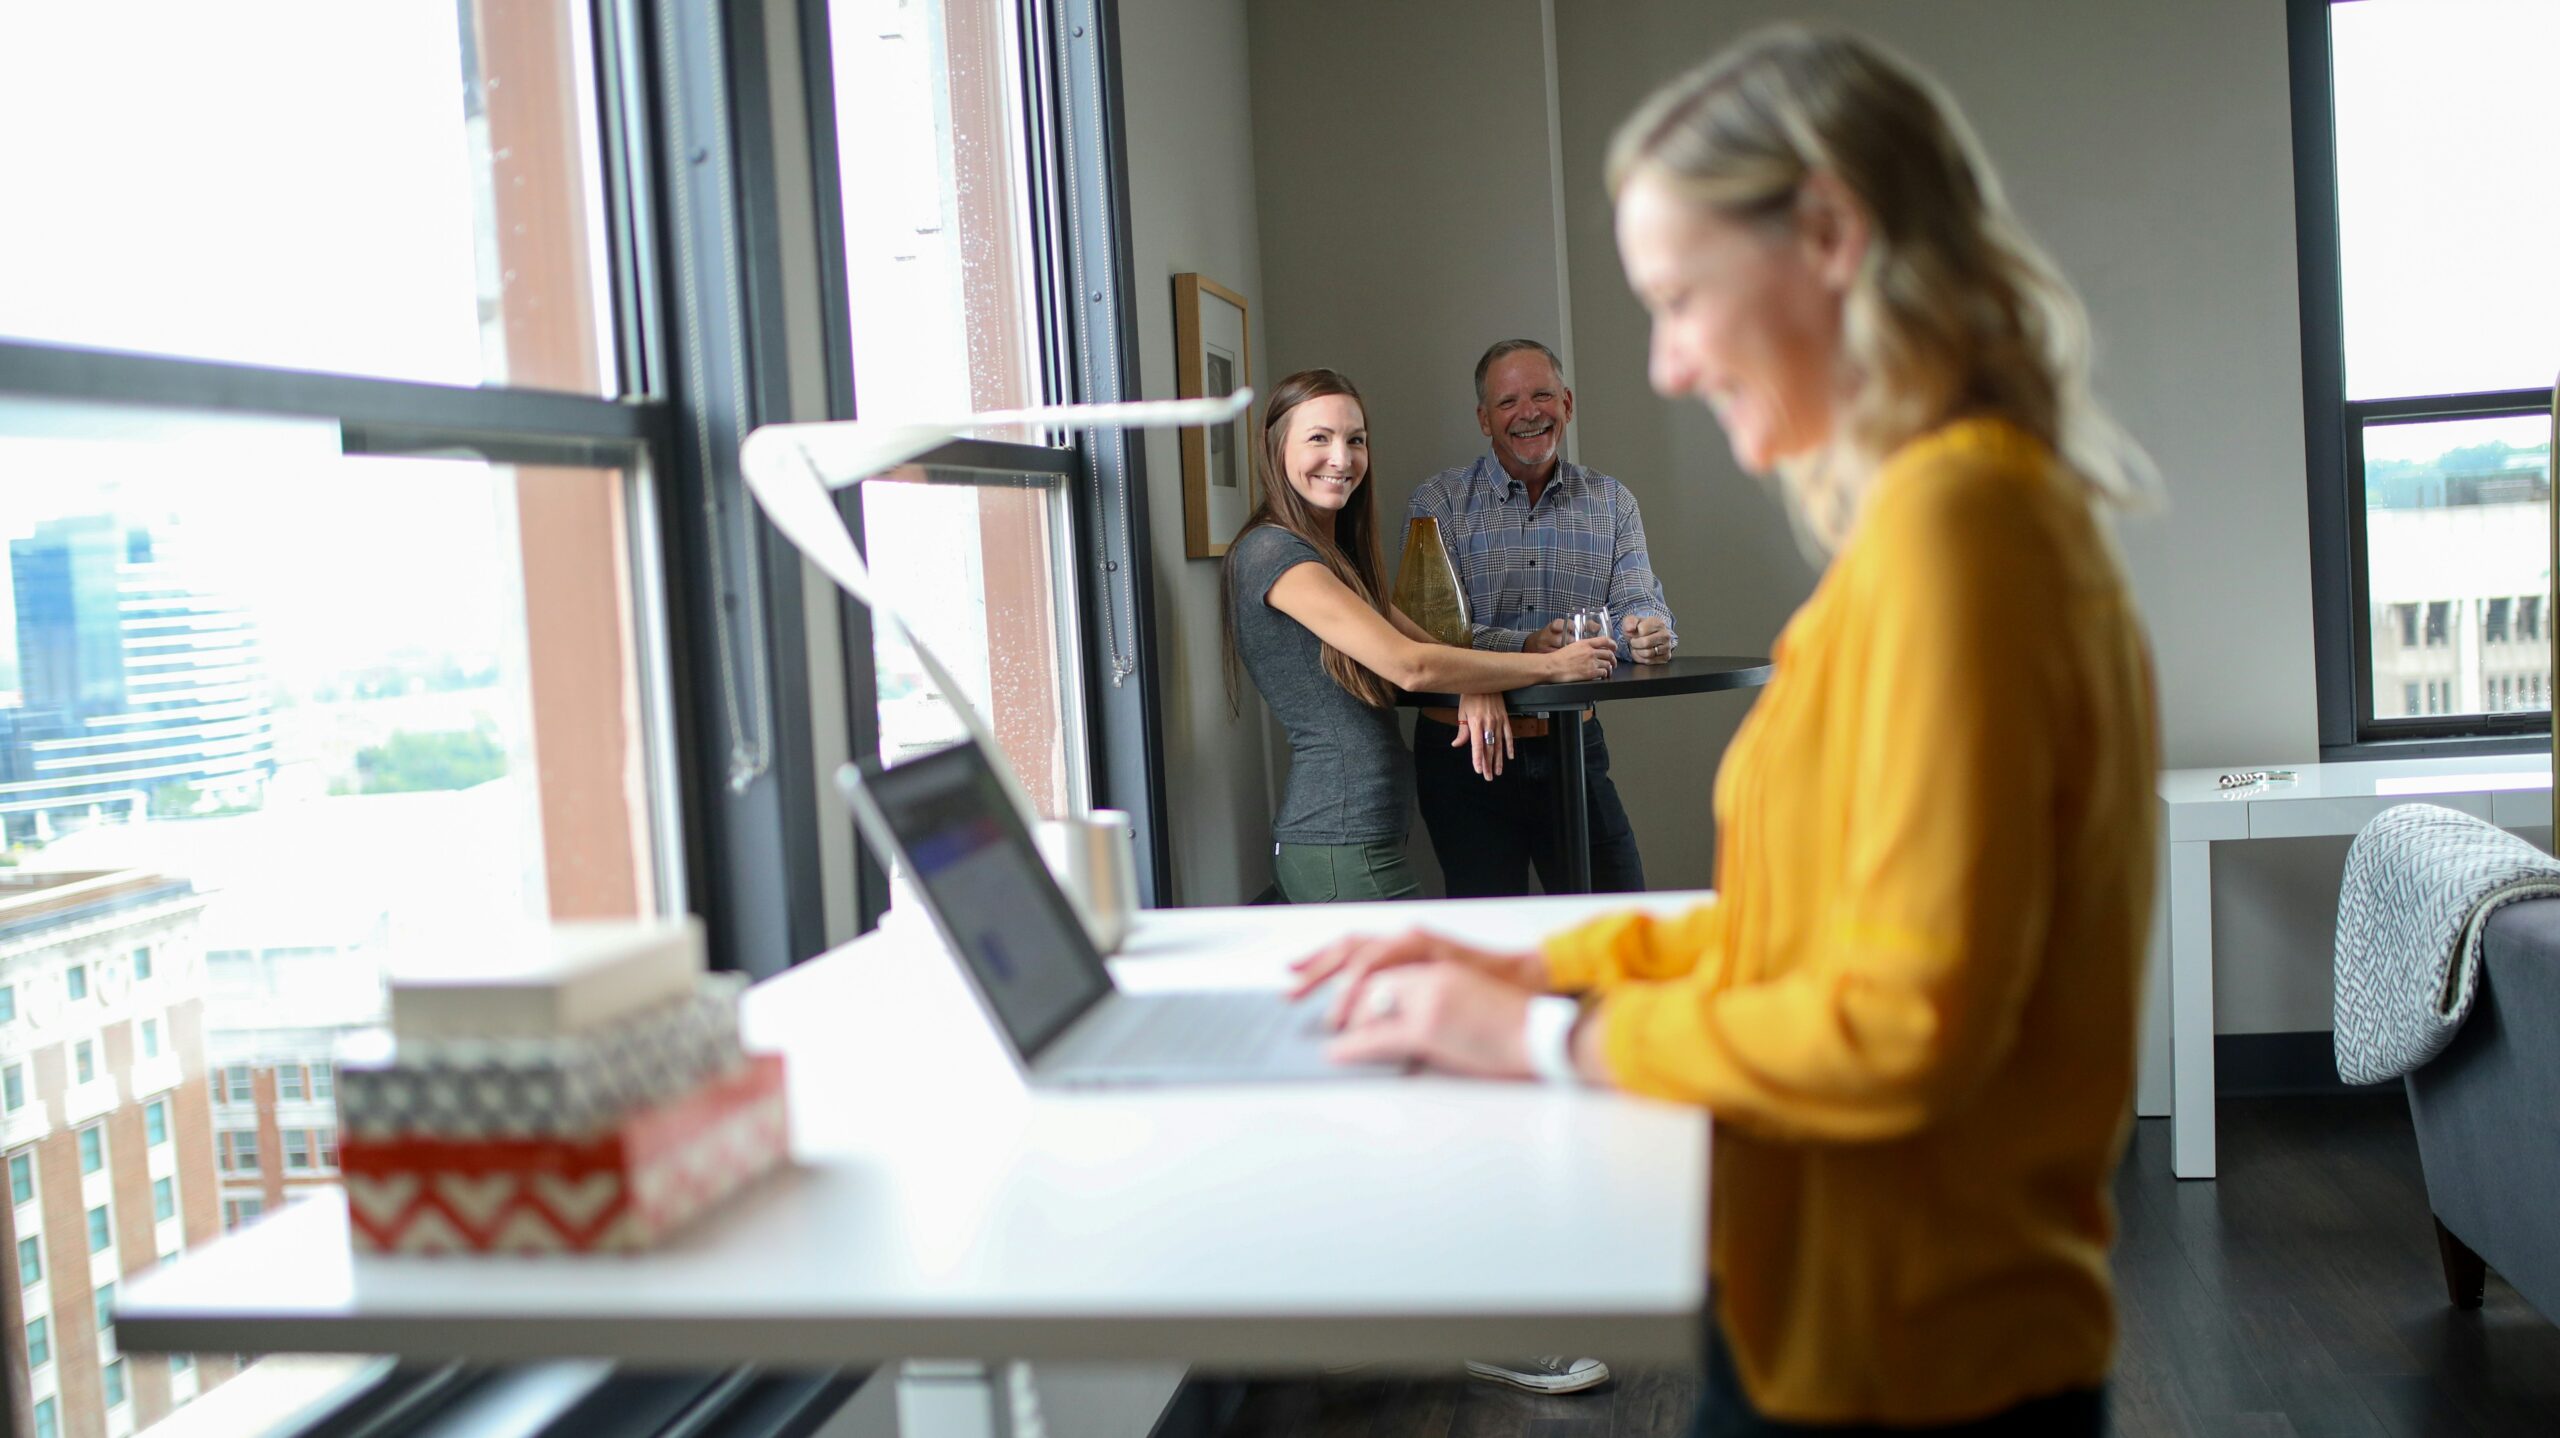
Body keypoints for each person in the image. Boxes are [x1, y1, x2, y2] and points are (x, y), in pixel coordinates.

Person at [1292, 25, 2161, 1435]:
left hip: (1910, 1363)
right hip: (1840, 1319)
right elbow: (1797, 932)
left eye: (1682, 297)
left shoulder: (1962, 544)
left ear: (1826, 234)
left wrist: (1545, 1042)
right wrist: (1519, 956)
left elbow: (1902, 1025)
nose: (1672, 362)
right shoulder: (1936, 529)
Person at [1222, 367, 1617, 907]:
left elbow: (1431, 648)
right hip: (1340, 842)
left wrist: (1475, 682)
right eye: (1319, 438)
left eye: (1355, 440)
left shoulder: (1329, 560)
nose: (1342, 458)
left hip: (1357, 838)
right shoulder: (1276, 555)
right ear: (1276, 446)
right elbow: (1412, 666)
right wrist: (1554, 666)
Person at [1407, 339, 1678, 897]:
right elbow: (1432, 636)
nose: (1529, 412)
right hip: (1466, 753)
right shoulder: (1438, 501)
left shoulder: (1612, 502)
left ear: (1568, 404)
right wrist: (1527, 647)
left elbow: (1636, 605)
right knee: (1490, 943)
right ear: (1484, 419)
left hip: (1572, 745)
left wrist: (1646, 632)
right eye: (1508, 402)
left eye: (1542, 395)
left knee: (1618, 921)